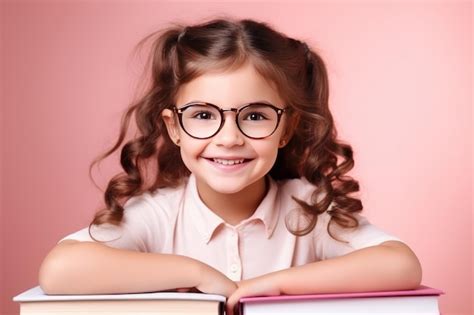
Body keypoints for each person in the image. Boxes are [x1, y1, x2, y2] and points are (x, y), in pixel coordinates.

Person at [38, 16, 422, 315]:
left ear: (285, 128)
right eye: (203, 115)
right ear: (174, 128)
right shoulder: (156, 214)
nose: (229, 138)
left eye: (255, 116)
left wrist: (276, 285)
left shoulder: (310, 209)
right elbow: (59, 271)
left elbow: (401, 264)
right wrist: (195, 272)